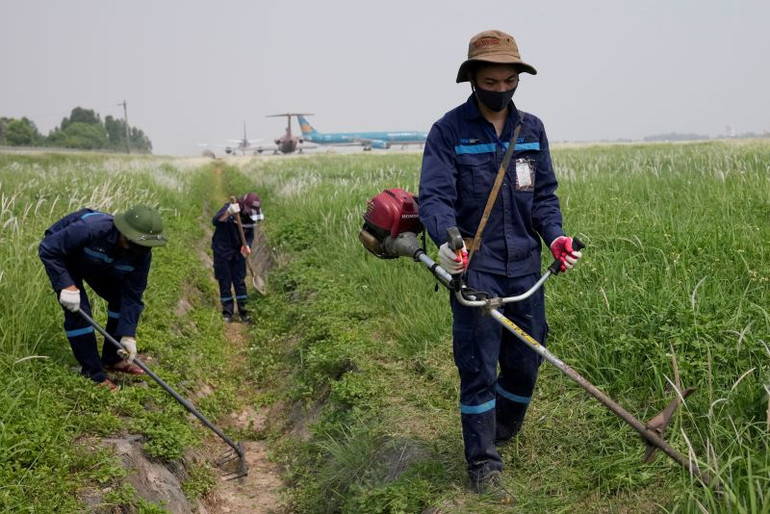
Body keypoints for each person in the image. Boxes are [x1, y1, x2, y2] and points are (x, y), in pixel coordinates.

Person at [418, 29, 582, 501]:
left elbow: (544, 197)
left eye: (510, 80)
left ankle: (503, 427)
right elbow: (435, 198)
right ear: (472, 79)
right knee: (477, 367)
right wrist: (448, 242)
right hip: (477, 268)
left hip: (525, 266)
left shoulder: (531, 130)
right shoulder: (448, 132)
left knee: (526, 361)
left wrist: (555, 238)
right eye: (491, 81)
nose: (502, 89)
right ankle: (484, 462)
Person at [39, 205, 168, 390]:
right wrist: (66, 285)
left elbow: (132, 296)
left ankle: (112, 359)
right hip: (66, 258)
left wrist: (128, 335)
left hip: (99, 263)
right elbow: (48, 248)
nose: (139, 251)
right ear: (124, 233)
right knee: (79, 312)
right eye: (136, 244)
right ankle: (93, 373)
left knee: (121, 301)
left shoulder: (141, 255)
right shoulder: (91, 228)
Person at [211, 192, 264, 323]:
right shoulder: (230, 207)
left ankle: (244, 312)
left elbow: (250, 234)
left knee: (240, 281)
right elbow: (215, 221)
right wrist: (228, 212)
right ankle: (227, 313)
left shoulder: (251, 217)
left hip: (238, 253)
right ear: (244, 205)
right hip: (222, 250)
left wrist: (248, 246)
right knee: (225, 280)